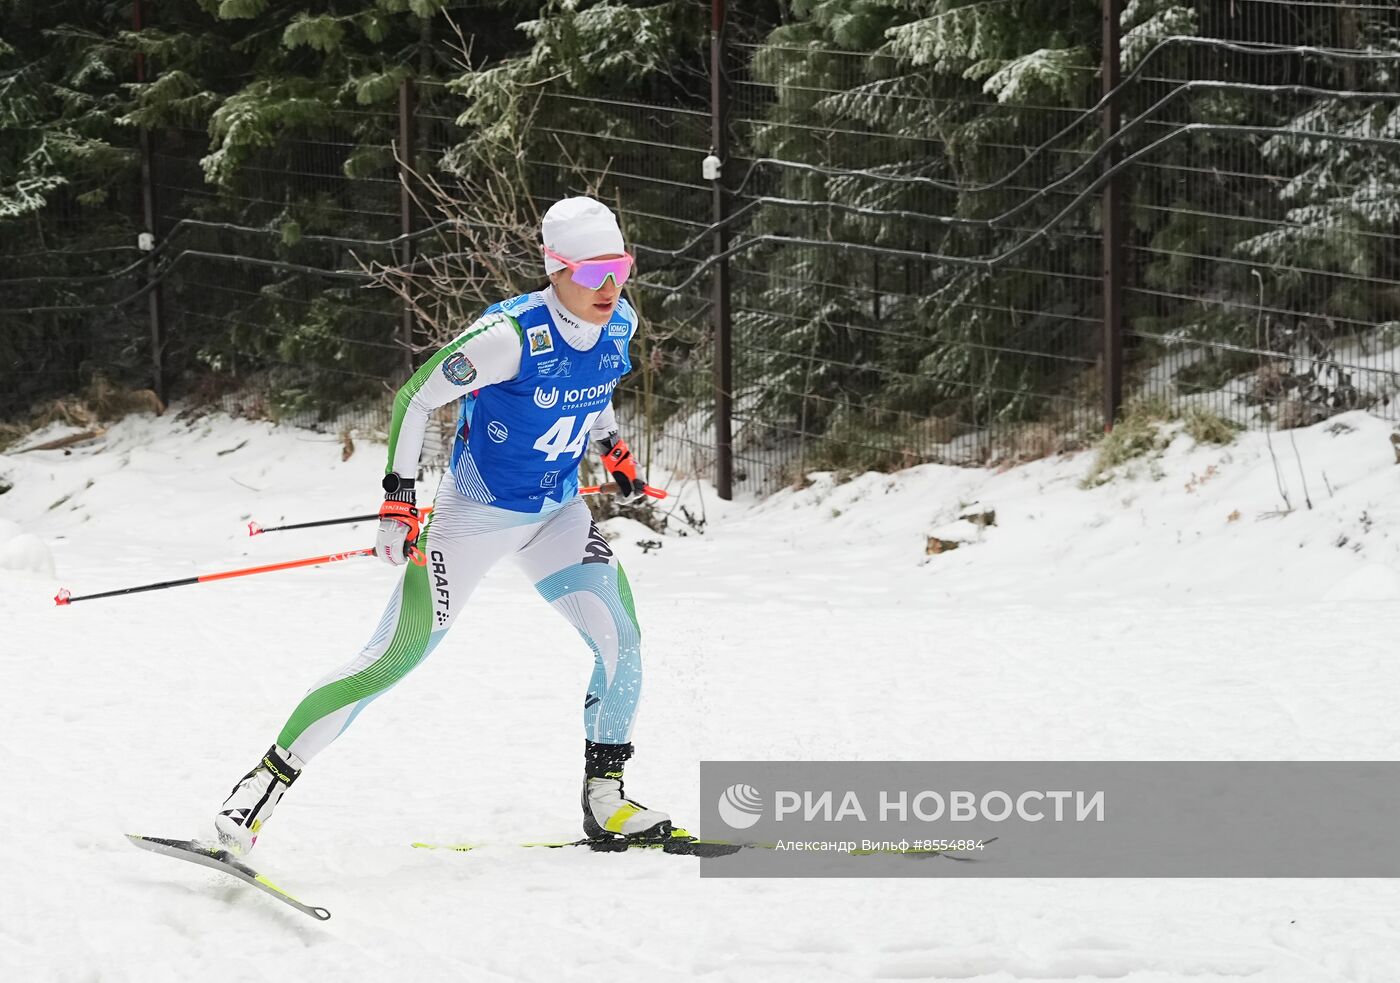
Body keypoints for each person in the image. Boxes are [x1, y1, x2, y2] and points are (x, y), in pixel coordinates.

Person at [213, 196, 674, 853]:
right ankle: (260, 787)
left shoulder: (618, 323)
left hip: (558, 514)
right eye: (594, 271)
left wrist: (615, 449)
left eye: (619, 268)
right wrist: (398, 498)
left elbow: (594, 388)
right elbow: (416, 395)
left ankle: (608, 798)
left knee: (622, 639)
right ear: (555, 268)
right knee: (393, 658)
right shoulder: (509, 336)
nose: (610, 287)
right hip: (474, 518)